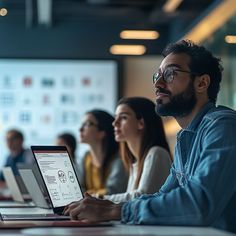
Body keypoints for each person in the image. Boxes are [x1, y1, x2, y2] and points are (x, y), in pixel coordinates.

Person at [64, 40, 236, 233]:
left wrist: (116, 210)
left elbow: (200, 204)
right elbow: (163, 196)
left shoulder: (223, 126)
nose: (158, 83)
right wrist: (105, 206)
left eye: (170, 74)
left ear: (202, 83)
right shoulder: (185, 138)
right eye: (158, 75)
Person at [102, 97, 172, 203]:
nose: (114, 123)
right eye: (116, 118)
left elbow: (142, 197)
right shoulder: (135, 162)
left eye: (123, 117)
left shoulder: (156, 153)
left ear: (141, 123)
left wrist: (100, 199)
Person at [77, 109, 128, 196]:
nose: (80, 129)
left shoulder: (119, 159)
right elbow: (78, 189)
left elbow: (113, 192)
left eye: (87, 124)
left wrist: (87, 195)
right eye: (82, 124)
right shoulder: (86, 157)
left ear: (102, 132)